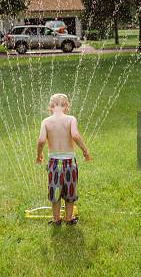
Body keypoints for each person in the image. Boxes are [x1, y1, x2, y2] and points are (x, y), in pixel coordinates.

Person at [36, 94, 90, 226]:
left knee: (55, 192)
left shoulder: (46, 121)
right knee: (70, 191)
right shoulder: (71, 119)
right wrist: (84, 150)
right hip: (69, 163)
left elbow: (41, 140)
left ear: (50, 107)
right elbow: (75, 135)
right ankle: (68, 218)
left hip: (54, 163)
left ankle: (56, 219)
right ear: (66, 106)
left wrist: (38, 155)